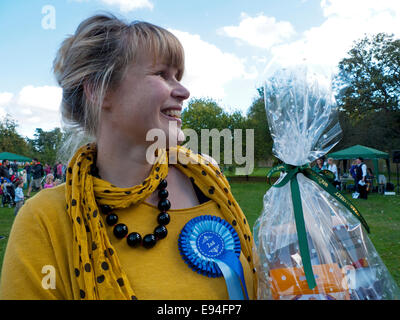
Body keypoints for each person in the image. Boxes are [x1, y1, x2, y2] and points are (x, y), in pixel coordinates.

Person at [0, 13, 256, 300]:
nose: (184, 92)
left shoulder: (207, 183)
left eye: (179, 77)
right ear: (100, 91)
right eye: (162, 74)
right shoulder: (45, 220)